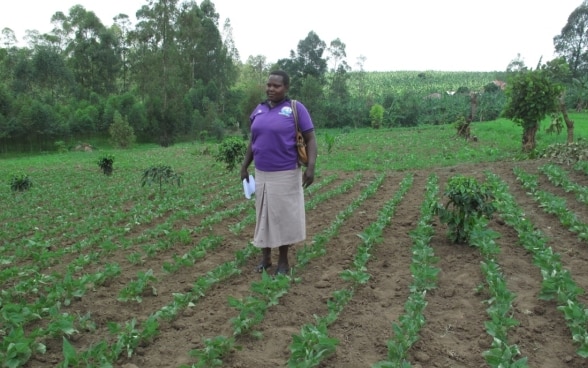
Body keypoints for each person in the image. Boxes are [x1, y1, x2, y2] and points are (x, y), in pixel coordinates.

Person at [240, 70, 317, 276]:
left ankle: (283, 261)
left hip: (286, 173)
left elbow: (310, 139)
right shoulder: (259, 110)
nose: (271, 89)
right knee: (263, 216)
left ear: (286, 88)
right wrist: (244, 166)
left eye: (276, 86)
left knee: (282, 217)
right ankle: (265, 258)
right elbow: (253, 141)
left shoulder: (295, 109)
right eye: (269, 85)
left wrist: (311, 167)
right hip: (262, 173)